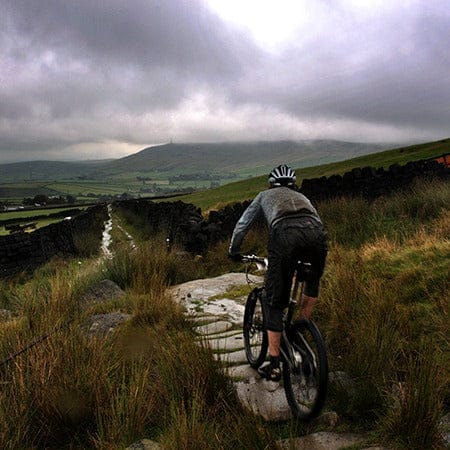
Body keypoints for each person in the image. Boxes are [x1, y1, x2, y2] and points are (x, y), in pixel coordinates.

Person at [228, 164, 328, 382]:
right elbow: (316, 221)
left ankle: (274, 365)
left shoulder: (264, 195)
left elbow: (242, 224)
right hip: (317, 235)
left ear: (271, 184)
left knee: (274, 302)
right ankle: (301, 327)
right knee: (312, 283)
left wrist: (233, 251)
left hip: (284, 236)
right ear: (293, 184)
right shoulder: (303, 198)